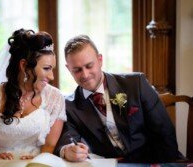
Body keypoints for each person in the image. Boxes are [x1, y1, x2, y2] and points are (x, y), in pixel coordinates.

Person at [54, 35, 182, 163]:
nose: (85, 75)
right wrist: (67, 150)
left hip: (152, 161)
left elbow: (164, 133)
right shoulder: (69, 105)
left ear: (100, 60)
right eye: (77, 70)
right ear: (68, 69)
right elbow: (67, 139)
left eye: (89, 66)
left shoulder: (136, 84)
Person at [0, 29, 66, 160]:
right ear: (24, 65)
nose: (51, 76)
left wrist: (37, 160)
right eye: (46, 68)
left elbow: (49, 146)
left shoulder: (55, 98)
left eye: (52, 68)